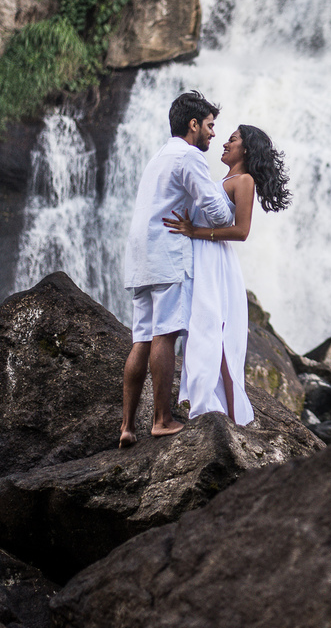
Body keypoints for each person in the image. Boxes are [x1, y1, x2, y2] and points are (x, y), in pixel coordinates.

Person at [119, 91, 233, 449]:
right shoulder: (189, 156)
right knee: (165, 335)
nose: (213, 133)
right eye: (210, 126)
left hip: (140, 256)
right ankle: (162, 420)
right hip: (167, 255)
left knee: (141, 338)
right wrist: (231, 206)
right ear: (193, 124)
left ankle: (126, 426)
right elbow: (218, 213)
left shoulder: (159, 155)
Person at [163, 124, 291, 425]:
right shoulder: (223, 180)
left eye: (232, 140)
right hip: (203, 259)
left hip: (216, 263)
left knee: (214, 335)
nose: (224, 143)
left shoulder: (244, 180)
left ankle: (227, 416)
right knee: (206, 333)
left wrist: (195, 231)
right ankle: (220, 410)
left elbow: (242, 231)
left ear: (245, 149)